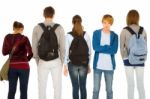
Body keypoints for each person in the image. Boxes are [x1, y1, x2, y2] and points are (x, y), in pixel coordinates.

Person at [32, 6, 65, 99]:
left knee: (42, 87)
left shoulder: (37, 28)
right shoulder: (59, 28)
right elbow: (63, 48)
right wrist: (61, 62)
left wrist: (38, 61)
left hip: (42, 61)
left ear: (43, 15)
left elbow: (34, 47)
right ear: (53, 15)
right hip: (56, 60)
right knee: (57, 87)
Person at [2, 21, 33, 99]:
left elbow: (4, 52)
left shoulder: (7, 37)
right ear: (21, 29)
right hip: (24, 67)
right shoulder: (25, 38)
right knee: (23, 90)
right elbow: (31, 53)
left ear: (14, 28)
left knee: (11, 90)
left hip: (12, 67)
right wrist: (26, 60)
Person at [120, 9, 147, 99]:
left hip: (128, 60)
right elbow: (145, 45)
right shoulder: (143, 30)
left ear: (128, 18)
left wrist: (124, 57)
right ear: (137, 18)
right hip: (141, 59)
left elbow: (121, 47)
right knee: (140, 84)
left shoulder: (124, 30)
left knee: (130, 85)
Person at [63, 15, 91, 99]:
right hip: (84, 63)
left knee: (75, 87)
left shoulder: (68, 35)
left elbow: (66, 52)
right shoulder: (86, 35)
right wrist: (88, 64)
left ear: (72, 23)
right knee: (83, 86)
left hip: (72, 64)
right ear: (81, 22)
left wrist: (65, 66)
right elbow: (89, 52)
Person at [92, 14, 118, 99]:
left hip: (109, 67)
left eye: (108, 23)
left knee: (109, 90)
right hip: (98, 66)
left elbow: (114, 50)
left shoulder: (114, 36)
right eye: (104, 22)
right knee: (96, 90)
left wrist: (102, 48)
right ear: (102, 23)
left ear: (111, 24)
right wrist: (107, 47)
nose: (106, 25)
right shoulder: (96, 33)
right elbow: (95, 47)